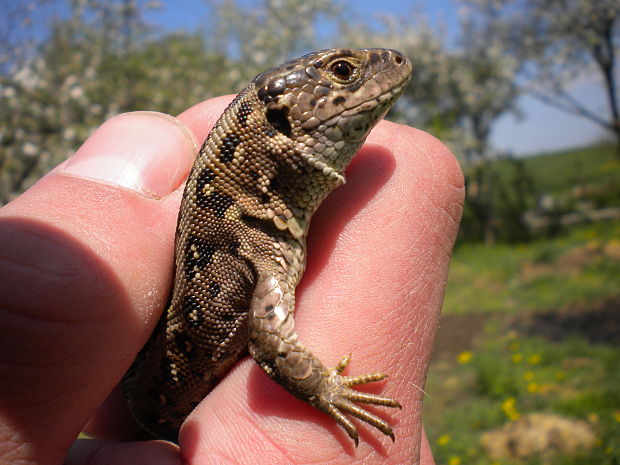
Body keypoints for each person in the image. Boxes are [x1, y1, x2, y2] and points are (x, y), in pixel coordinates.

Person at [0, 95, 463, 465]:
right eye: (343, 74)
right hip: (166, 414)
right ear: (282, 119)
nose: (385, 67)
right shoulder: (259, 243)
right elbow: (270, 342)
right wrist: (326, 390)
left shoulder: (253, 229)